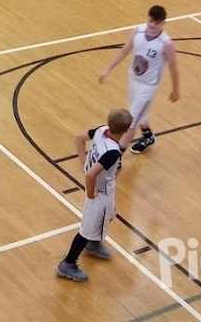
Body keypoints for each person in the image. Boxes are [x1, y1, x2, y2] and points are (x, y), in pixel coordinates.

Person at [54, 108, 135, 282]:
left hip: (105, 189)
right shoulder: (112, 152)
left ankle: (94, 242)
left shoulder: (100, 130)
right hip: (100, 192)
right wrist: (91, 194)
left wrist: (84, 162)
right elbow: (90, 175)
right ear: (125, 130)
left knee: (111, 214)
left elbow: (79, 138)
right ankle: (67, 264)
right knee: (86, 230)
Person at [97, 5, 180, 154]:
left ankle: (116, 157)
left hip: (148, 86)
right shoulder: (137, 31)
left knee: (130, 121)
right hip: (134, 80)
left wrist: (175, 90)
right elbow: (124, 51)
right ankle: (148, 135)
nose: (153, 25)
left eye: (157, 22)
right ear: (147, 18)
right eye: (151, 21)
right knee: (139, 115)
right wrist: (107, 70)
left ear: (163, 24)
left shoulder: (166, 43)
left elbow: (173, 67)